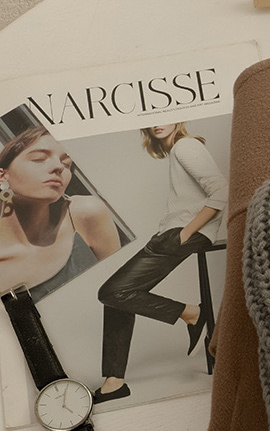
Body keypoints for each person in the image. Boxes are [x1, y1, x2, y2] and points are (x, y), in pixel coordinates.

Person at [93, 122, 227, 403]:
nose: (157, 123)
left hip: (180, 235)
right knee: (117, 296)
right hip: (172, 234)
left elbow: (221, 191)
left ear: (178, 120)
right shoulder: (179, 149)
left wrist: (185, 233)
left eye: (164, 117)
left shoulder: (186, 146)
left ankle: (192, 313)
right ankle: (114, 382)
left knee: (112, 291)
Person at [0, 126, 120, 300]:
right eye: (39, 159)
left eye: (66, 164)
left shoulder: (84, 213)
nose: (58, 167)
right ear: (3, 176)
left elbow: (122, 292)